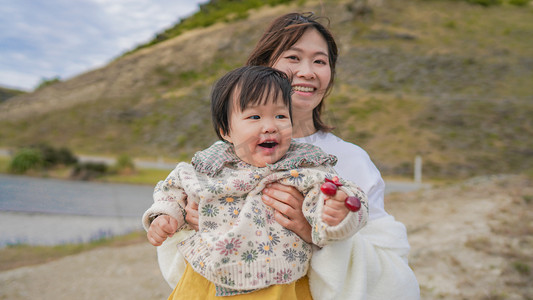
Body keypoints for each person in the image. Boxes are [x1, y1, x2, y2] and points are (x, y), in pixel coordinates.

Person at [160, 12, 420, 300]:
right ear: (264, 67)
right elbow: (172, 228)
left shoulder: (349, 160)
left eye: (320, 61)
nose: (307, 71)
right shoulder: (223, 157)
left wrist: (315, 232)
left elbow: (391, 272)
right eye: (293, 58)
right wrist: (188, 220)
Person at [142, 65, 369, 299]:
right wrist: (166, 216)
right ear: (226, 131)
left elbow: (345, 196)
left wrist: (338, 213)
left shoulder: (305, 166)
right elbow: (172, 190)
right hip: (205, 282)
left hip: (280, 285)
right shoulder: (210, 164)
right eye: (255, 117)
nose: (270, 126)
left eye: (281, 116)